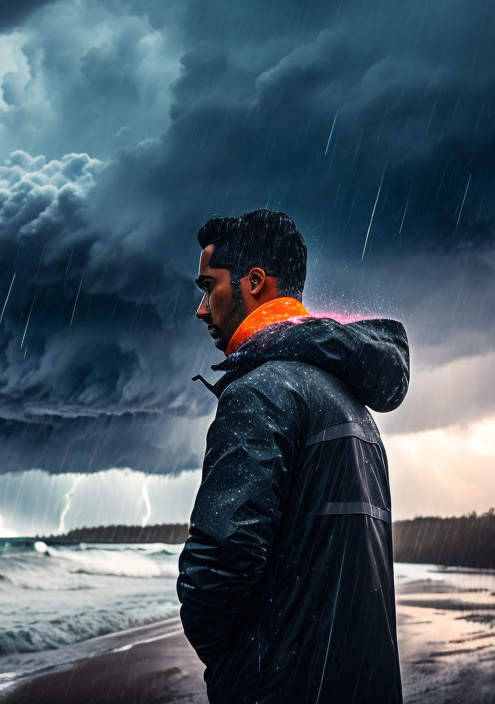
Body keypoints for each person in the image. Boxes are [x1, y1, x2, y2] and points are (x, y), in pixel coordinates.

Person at [177, 209, 409, 703]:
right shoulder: (352, 401)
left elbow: (218, 568)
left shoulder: (260, 392)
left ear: (255, 282)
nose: (201, 309)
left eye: (208, 286)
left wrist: (236, 663)